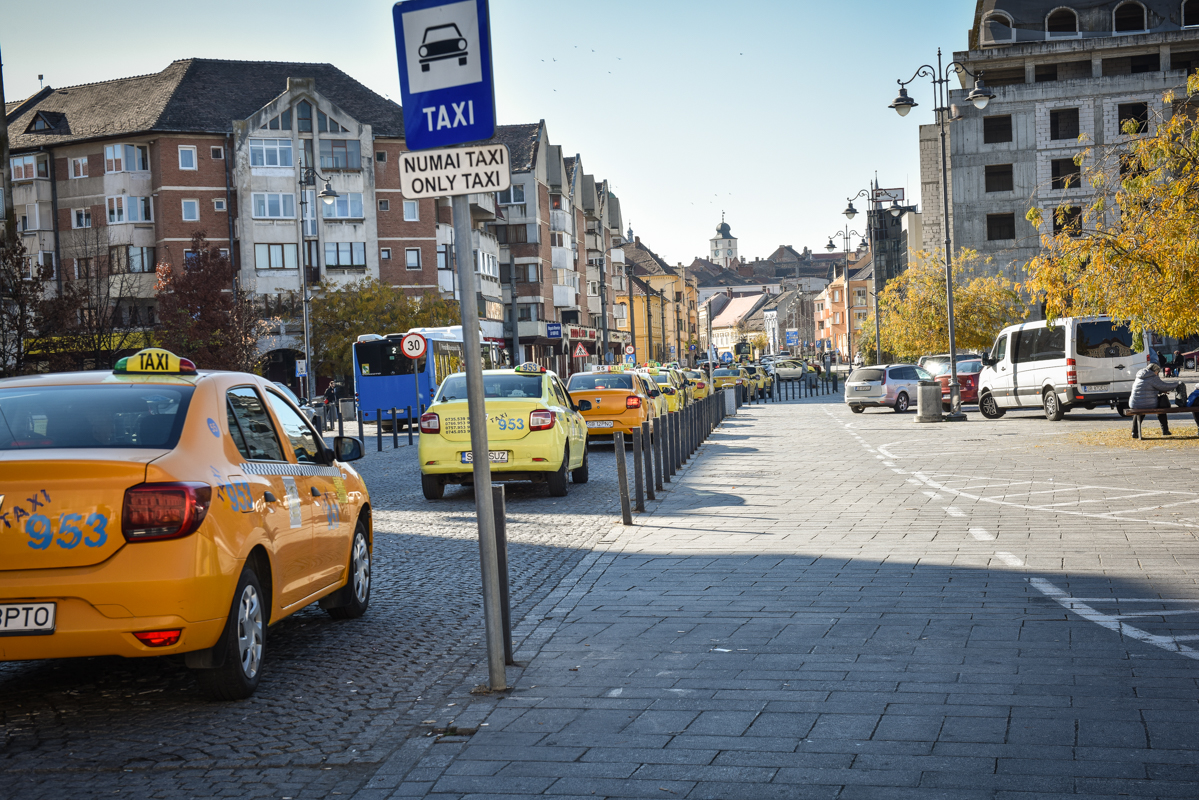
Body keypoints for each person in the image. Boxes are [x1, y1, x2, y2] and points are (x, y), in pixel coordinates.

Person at [1129, 362, 1183, 438]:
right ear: (1155, 371)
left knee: (1139, 410)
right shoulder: (1152, 377)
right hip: (1147, 403)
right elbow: (1164, 386)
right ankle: (1165, 430)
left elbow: (1147, 388)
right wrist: (1177, 384)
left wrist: (1159, 391)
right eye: (1157, 372)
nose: (1157, 374)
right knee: (1161, 406)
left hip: (1134, 403)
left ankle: (1134, 432)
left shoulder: (1140, 376)